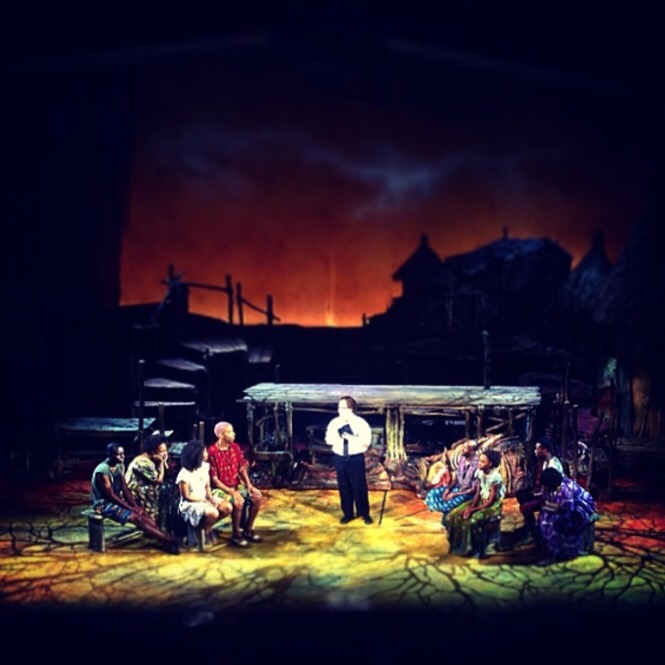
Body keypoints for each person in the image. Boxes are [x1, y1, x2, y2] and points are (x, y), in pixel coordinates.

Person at [90, 442, 180, 554]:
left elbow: (124, 488)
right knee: (136, 518)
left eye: (123, 454)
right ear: (110, 455)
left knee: (143, 514)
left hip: (116, 500)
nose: (122, 457)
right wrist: (130, 508)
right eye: (119, 454)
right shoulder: (102, 471)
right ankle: (169, 540)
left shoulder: (119, 465)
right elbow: (111, 495)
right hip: (103, 504)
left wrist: (135, 506)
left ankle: (164, 539)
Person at [207, 421, 266, 547]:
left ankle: (248, 529)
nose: (234, 434)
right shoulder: (212, 452)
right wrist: (232, 492)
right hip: (220, 489)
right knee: (238, 502)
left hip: (236, 485)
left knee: (257, 497)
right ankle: (236, 534)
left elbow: (241, 469)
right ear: (221, 435)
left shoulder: (235, 447)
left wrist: (249, 485)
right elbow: (215, 480)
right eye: (230, 432)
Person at [446, 449, 505, 559]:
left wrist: (472, 510)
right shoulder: (479, 473)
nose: (479, 463)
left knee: (473, 521)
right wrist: (472, 506)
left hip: (492, 505)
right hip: (480, 501)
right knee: (453, 515)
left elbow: (491, 501)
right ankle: (458, 546)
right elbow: (478, 493)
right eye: (479, 461)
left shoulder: (495, 477)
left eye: (483, 462)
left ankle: (476, 548)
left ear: (490, 464)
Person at [324, 395, 373, 525]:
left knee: (359, 486)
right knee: (344, 487)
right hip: (340, 458)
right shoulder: (335, 423)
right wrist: (338, 437)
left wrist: (351, 438)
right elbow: (328, 440)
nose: (339, 410)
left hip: (355, 458)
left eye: (342, 407)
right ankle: (348, 513)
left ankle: (364, 513)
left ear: (350, 409)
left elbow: (366, 442)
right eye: (339, 407)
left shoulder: (360, 423)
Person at [176, 439, 232, 546]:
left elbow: (207, 486)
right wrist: (203, 501)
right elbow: (186, 496)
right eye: (205, 452)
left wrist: (210, 497)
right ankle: (204, 531)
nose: (207, 454)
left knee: (227, 507)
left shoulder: (205, 467)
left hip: (204, 498)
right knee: (213, 513)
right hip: (191, 502)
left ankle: (206, 527)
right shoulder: (184, 474)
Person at [536, 467, 597, 566]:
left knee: (555, 522)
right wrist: (547, 507)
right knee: (543, 518)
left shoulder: (566, 488)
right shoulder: (554, 487)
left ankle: (555, 553)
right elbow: (551, 503)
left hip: (580, 509)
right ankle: (548, 550)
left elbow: (565, 508)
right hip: (565, 508)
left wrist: (548, 507)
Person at [514, 436, 564, 543]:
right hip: (547, 492)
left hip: (553, 497)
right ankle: (530, 527)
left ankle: (532, 531)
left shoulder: (553, 466)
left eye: (538, 449)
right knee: (521, 495)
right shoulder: (547, 462)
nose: (535, 451)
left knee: (525, 506)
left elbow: (552, 488)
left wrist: (535, 495)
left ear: (544, 450)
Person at [424, 439, 479, 523]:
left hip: (467, 494)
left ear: (472, 451)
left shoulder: (478, 464)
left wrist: (454, 494)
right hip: (457, 488)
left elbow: (474, 489)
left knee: (447, 505)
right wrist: (448, 489)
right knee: (433, 493)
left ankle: (447, 520)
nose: (462, 450)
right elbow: (457, 478)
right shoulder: (462, 459)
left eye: (465, 448)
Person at [124, 433, 169, 522]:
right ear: (153, 452)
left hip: (145, 492)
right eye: (161, 452)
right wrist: (161, 463)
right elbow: (159, 480)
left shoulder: (153, 460)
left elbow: (167, 473)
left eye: (166, 451)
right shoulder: (143, 463)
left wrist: (164, 462)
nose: (165, 454)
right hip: (135, 494)